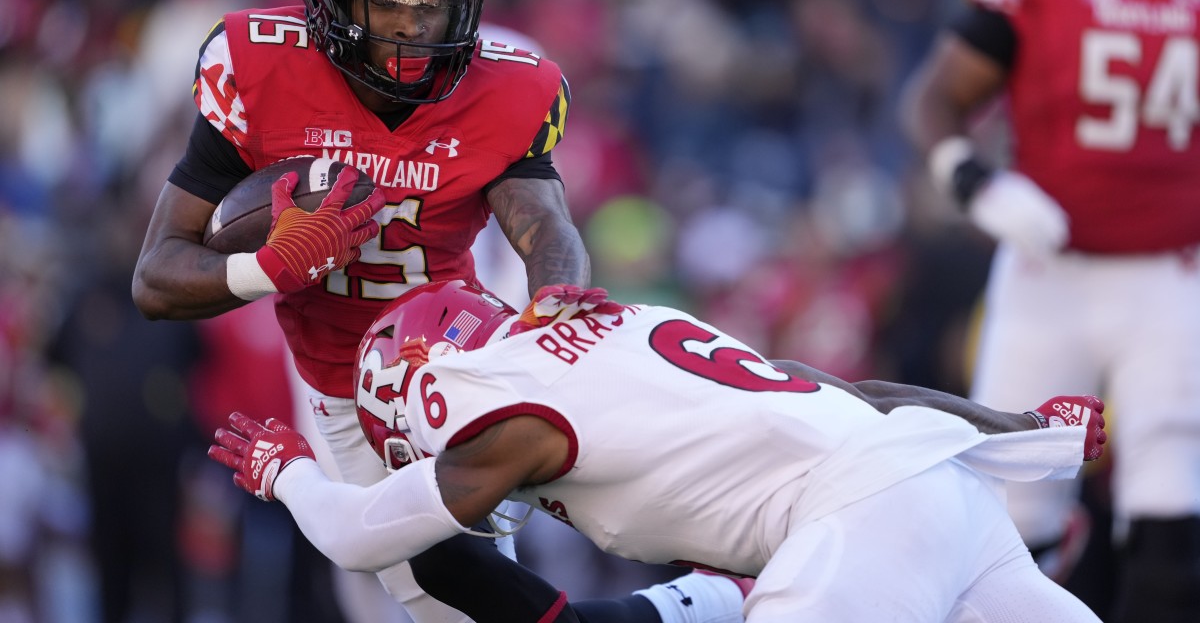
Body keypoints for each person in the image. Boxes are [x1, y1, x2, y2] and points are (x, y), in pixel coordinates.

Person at [131, 0, 617, 623]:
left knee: (461, 601)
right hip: (329, 384)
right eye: (390, 2)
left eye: (434, 11)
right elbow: (156, 279)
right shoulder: (258, 67)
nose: (413, 32)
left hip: (448, 369)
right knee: (367, 588)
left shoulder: (506, 89)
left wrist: (554, 299)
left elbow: (545, 225)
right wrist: (269, 267)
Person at [208, 280, 1109, 622]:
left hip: (861, 519)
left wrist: (286, 471)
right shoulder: (627, 322)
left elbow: (362, 537)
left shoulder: (493, 412)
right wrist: (1023, 426)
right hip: (941, 490)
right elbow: (849, 394)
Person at [900, 0, 1200, 620]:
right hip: (1047, 278)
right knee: (1008, 511)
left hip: (1169, 278)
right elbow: (934, 100)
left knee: (1172, 510)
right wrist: (972, 179)